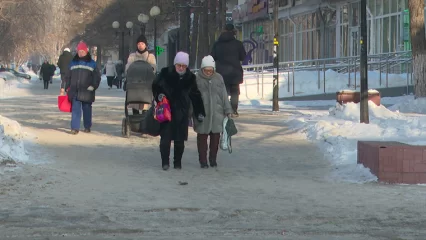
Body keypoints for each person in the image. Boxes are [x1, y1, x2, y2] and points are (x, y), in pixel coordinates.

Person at [152, 51, 205, 170]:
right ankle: (165, 162)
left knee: (180, 141)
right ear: (175, 64)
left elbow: (196, 96)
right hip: (167, 111)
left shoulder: (190, 78)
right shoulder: (165, 73)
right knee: (165, 139)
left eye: (183, 66)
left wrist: (200, 112)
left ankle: (177, 163)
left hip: (182, 113)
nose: (181, 68)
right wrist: (159, 95)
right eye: (179, 65)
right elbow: (155, 86)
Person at [194, 55, 233, 168]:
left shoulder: (219, 78)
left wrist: (227, 109)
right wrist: (192, 112)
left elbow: (224, 95)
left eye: (211, 70)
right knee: (202, 138)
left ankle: (213, 159)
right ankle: (203, 161)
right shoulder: (197, 79)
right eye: (206, 70)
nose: (208, 72)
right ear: (202, 69)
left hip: (217, 113)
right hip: (202, 113)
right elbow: (193, 97)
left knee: (215, 138)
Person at [65, 41, 101, 135]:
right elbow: (68, 76)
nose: (81, 53)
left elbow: (96, 77)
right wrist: (66, 87)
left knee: (87, 109)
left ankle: (87, 126)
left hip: (87, 91)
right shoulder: (73, 63)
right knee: (75, 110)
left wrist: (93, 86)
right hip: (75, 90)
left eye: (82, 51)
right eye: (79, 51)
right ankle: (74, 128)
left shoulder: (92, 63)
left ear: (86, 51)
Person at [211, 23, 246, 117]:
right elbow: (243, 57)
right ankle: (234, 110)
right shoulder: (238, 44)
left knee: (223, 91)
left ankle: (224, 110)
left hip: (221, 72)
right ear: (233, 31)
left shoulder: (217, 44)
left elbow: (212, 57)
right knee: (235, 92)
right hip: (235, 72)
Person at [125, 34, 157, 115]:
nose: (140, 46)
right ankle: (135, 123)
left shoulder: (150, 56)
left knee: (145, 107)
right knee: (134, 105)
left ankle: (145, 122)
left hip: (146, 85)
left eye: (142, 44)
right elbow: (128, 68)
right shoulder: (132, 56)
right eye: (139, 44)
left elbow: (153, 68)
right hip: (134, 84)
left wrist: (151, 69)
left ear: (145, 45)